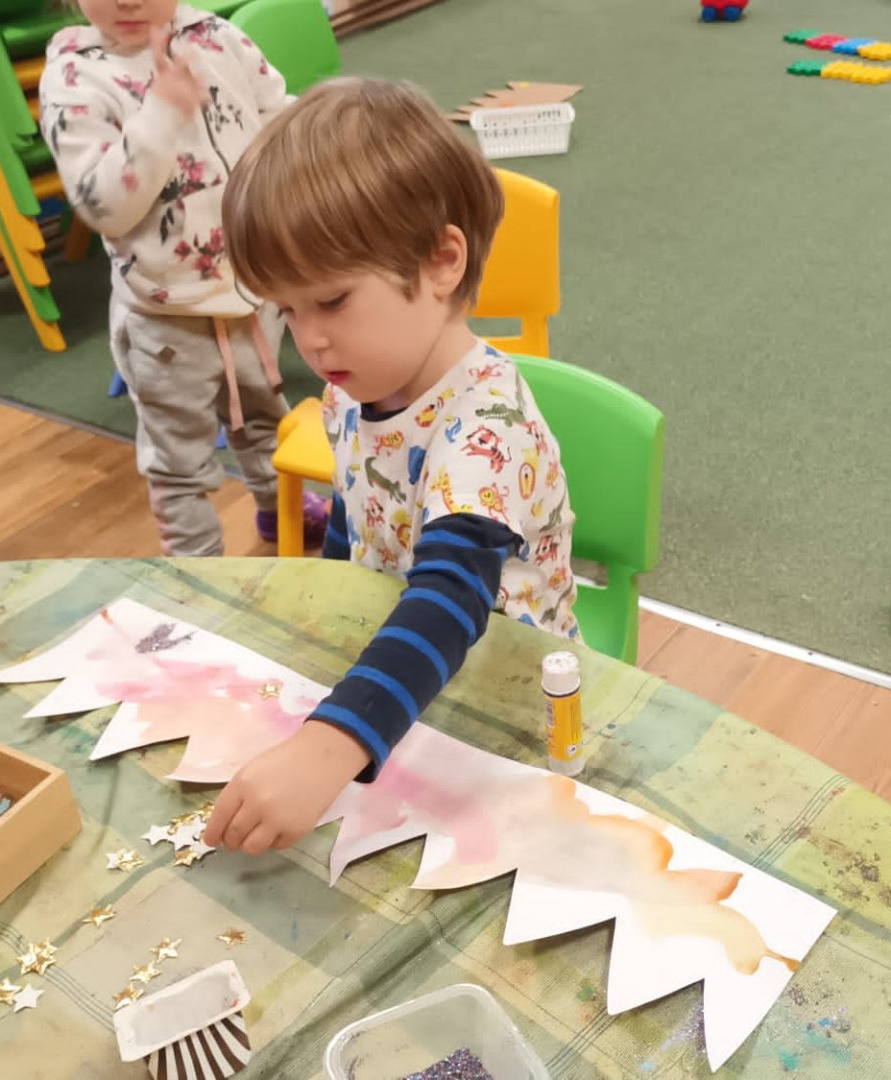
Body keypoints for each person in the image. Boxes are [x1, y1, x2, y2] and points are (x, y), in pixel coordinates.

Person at [205, 77, 579, 854]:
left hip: (509, 713)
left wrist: (325, 747)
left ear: (442, 262)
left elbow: (450, 598)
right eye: (288, 310)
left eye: (332, 301)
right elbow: (360, 512)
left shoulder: (486, 429)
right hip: (404, 694)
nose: (309, 340)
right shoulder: (355, 388)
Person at [41, 0, 326, 555]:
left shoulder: (218, 38)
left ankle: (279, 511)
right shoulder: (74, 80)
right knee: (178, 463)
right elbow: (105, 208)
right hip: (165, 316)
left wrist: (321, 142)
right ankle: (197, 570)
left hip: (252, 287)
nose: (127, 1)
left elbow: (276, 118)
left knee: (265, 418)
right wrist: (161, 114)